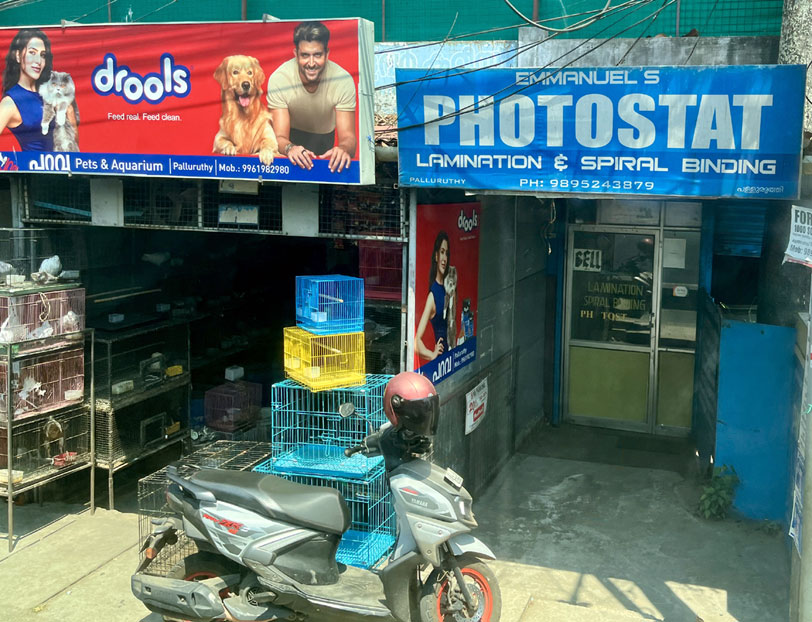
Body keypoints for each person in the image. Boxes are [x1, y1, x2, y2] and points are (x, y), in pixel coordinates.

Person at [266, 21, 357, 173]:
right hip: (291, 136)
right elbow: (279, 136)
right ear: (296, 54)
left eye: (317, 55)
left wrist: (343, 149)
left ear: (327, 54)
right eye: (305, 55)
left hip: (324, 138)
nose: (311, 63)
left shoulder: (343, 79)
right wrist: (290, 148)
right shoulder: (279, 78)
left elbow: (349, 138)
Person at [0, 29, 54, 151]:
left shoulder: (48, 94)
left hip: (64, 162)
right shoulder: (11, 101)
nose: (38, 61)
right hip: (33, 163)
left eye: (42, 55)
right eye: (32, 53)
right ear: (18, 56)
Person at [416, 231, 450, 362]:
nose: (444, 258)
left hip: (451, 359)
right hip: (441, 363)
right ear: (436, 256)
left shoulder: (447, 288)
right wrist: (432, 354)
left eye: (447, 253)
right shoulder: (433, 295)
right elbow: (416, 342)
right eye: (442, 252)